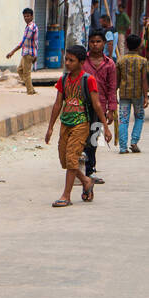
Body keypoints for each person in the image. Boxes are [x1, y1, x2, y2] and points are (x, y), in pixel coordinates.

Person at [45, 45, 110, 207]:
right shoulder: (63, 79)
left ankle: (66, 195)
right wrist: (51, 127)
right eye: (66, 59)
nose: (67, 63)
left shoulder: (88, 80)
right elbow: (58, 103)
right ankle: (86, 181)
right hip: (66, 123)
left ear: (81, 62)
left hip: (81, 124)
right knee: (64, 159)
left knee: (72, 158)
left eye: (71, 60)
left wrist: (105, 127)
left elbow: (97, 105)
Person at [81, 29, 118, 182]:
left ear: (104, 44)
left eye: (98, 42)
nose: (95, 45)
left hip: (101, 108)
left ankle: (90, 170)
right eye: (92, 42)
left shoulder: (110, 64)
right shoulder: (82, 61)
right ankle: (79, 170)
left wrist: (112, 109)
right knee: (80, 138)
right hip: (82, 107)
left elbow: (112, 87)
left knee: (94, 141)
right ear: (88, 43)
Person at [116, 33, 147, 154]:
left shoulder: (120, 61)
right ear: (139, 45)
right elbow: (144, 80)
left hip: (124, 94)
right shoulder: (143, 61)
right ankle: (134, 141)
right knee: (139, 117)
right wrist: (146, 97)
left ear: (126, 45)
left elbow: (117, 80)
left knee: (123, 119)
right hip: (138, 94)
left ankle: (123, 147)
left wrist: (113, 94)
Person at [5, 7, 39, 94]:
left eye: (28, 16)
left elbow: (23, 42)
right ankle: (30, 87)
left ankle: (30, 90)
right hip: (27, 52)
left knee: (26, 73)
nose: (26, 18)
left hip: (28, 53)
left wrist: (12, 51)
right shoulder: (30, 26)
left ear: (32, 16)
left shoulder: (30, 27)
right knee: (20, 70)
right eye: (25, 16)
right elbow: (35, 42)